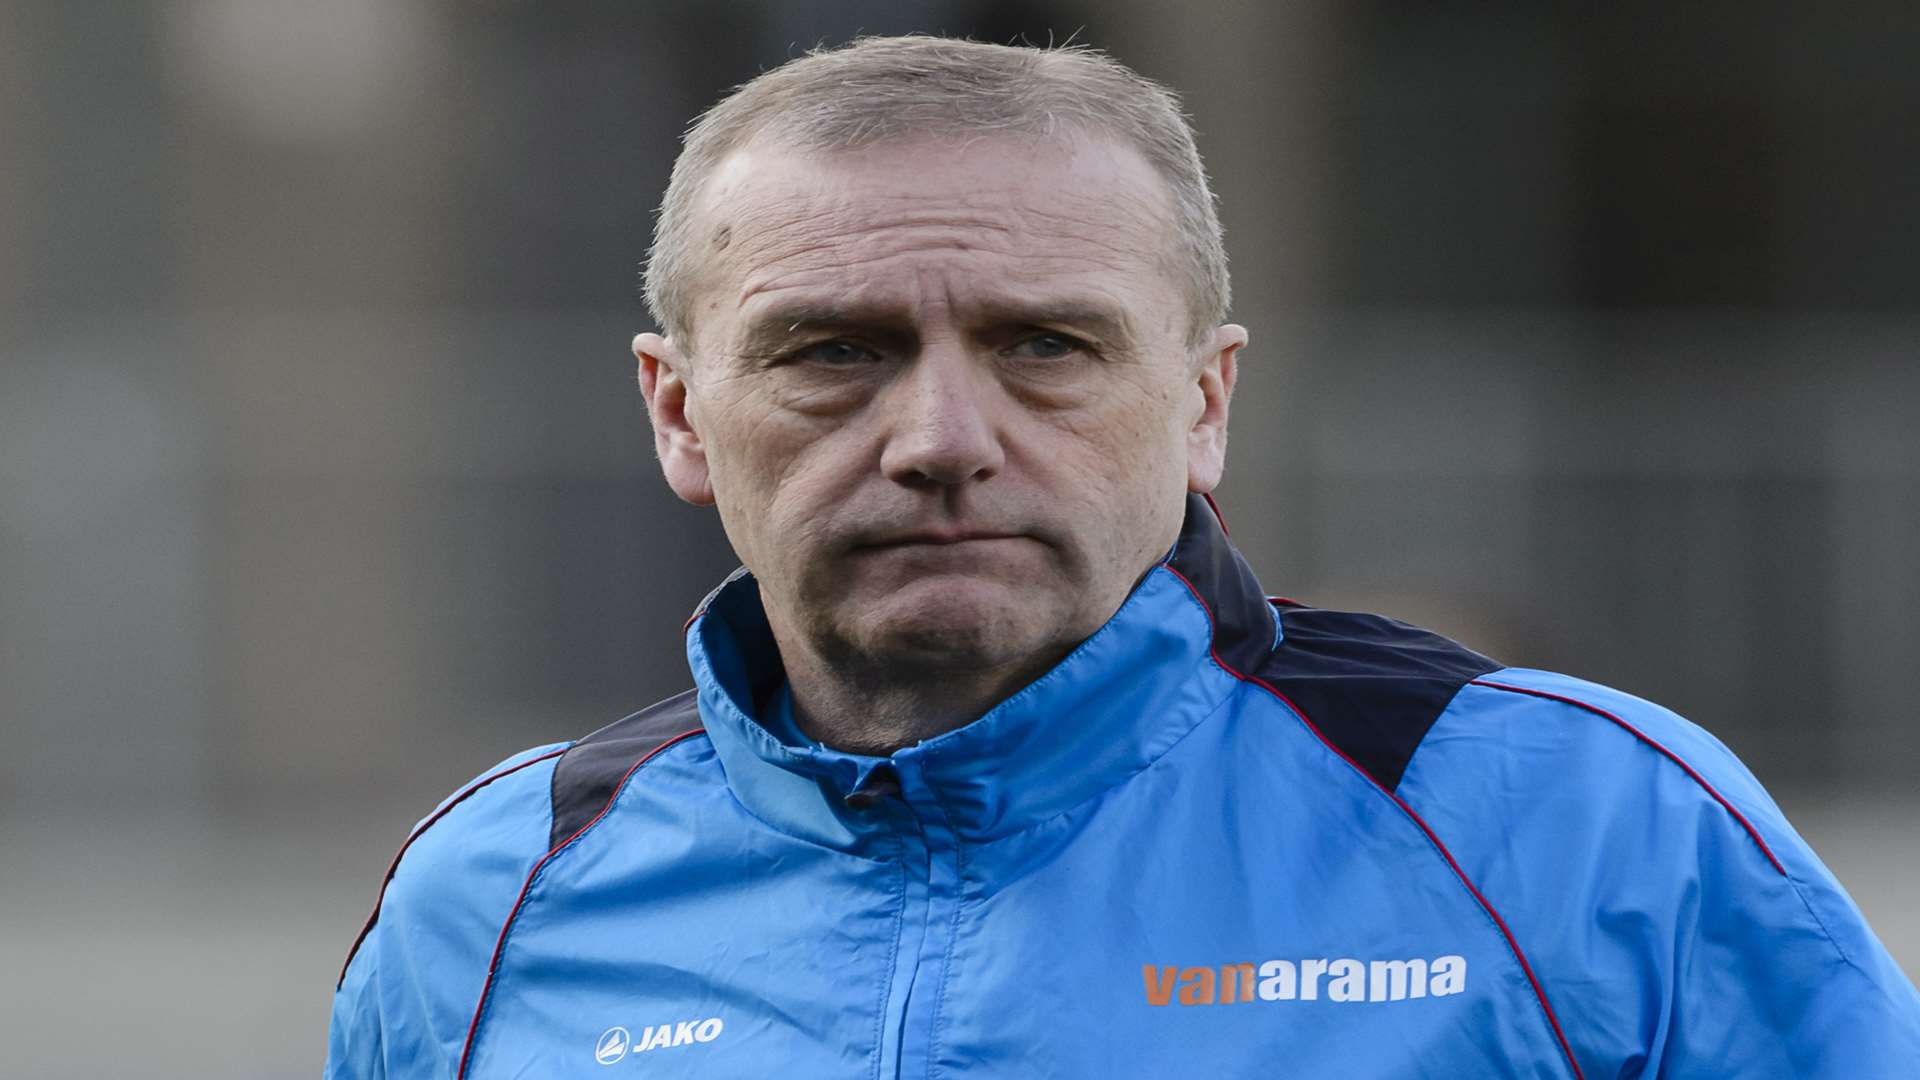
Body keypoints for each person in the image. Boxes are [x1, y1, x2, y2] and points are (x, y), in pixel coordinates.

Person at [325, 35, 1920, 1078]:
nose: (941, 436)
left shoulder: (1592, 833)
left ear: (1206, 399)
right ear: (680, 413)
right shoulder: (491, 904)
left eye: (1045, 346)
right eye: (833, 350)